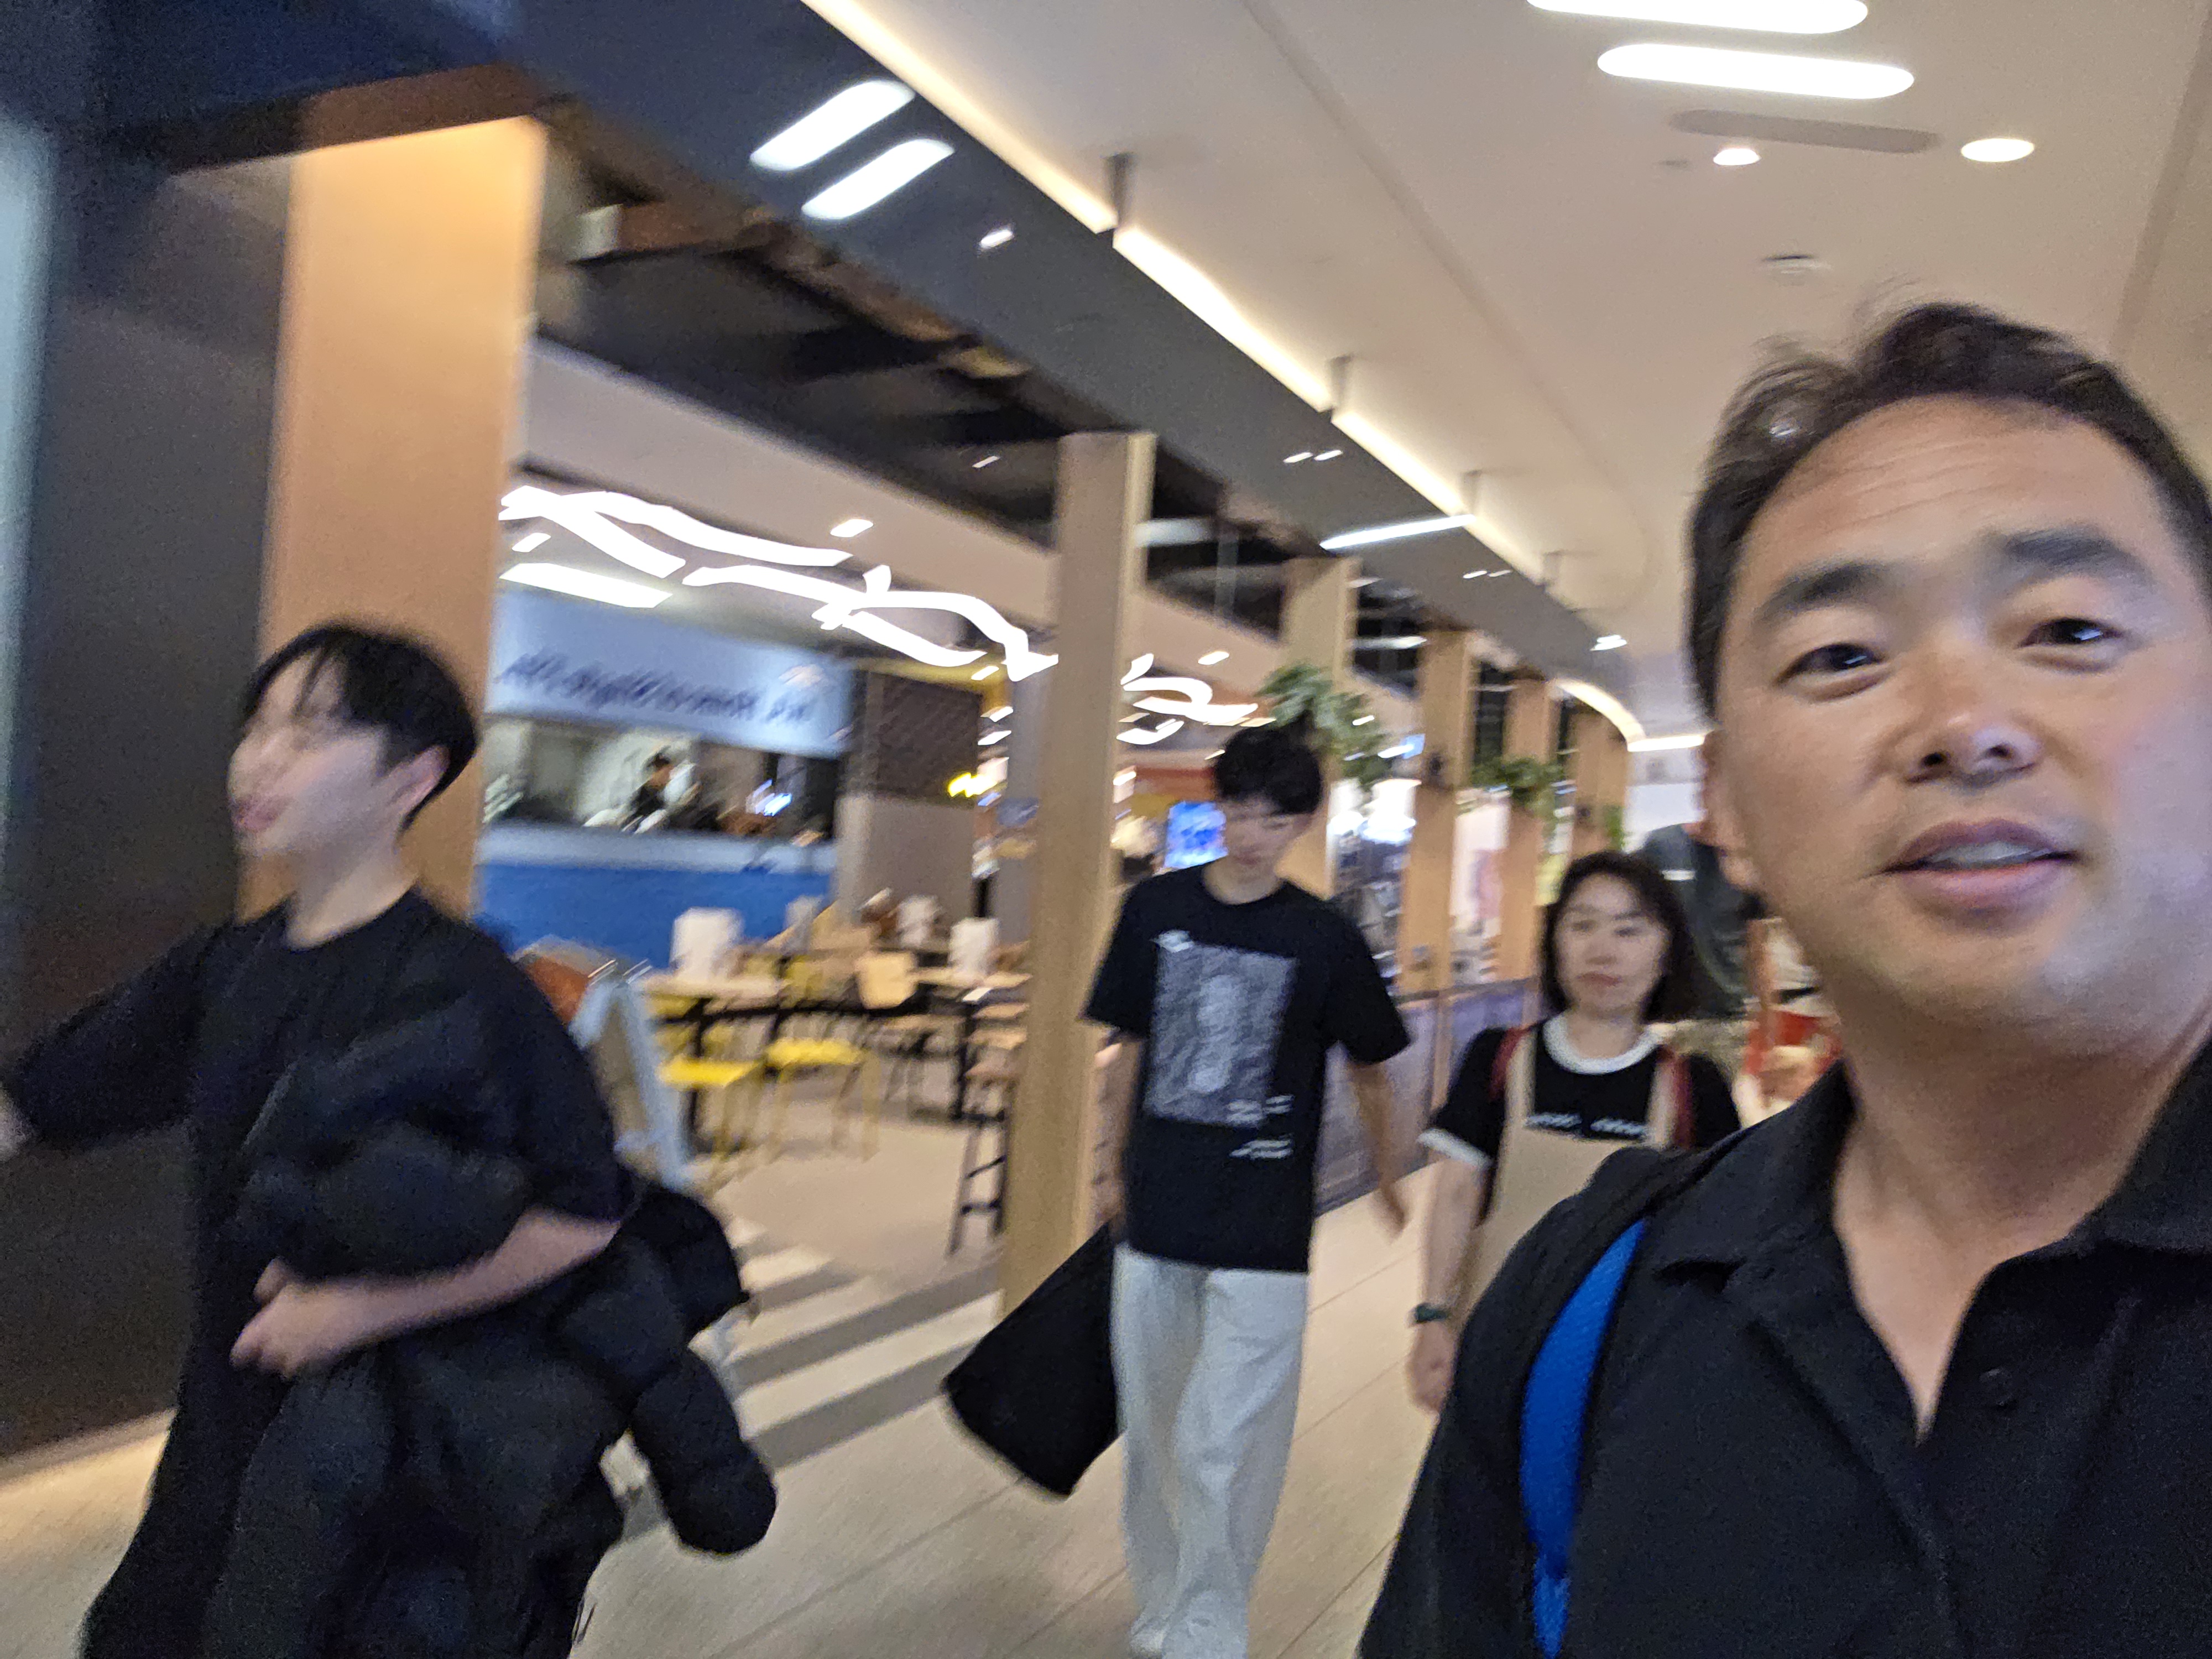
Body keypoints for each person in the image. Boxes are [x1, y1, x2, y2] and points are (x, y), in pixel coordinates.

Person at [1363, 301, 2212, 1657]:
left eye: (2066, 627)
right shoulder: (1590, 1310)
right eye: (1839, 656)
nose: (1961, 725)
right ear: (1725, 805)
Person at [0, 624, 635, 1658]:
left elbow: (584, 1211)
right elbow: (40, 1098)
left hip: (393, 1469)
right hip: (222, 1439)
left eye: (308, 733)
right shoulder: (226, 968)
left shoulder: (469, 988)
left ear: (411, 776)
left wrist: (358, 1310)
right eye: (255, 728)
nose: (257, 760)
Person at [1086, 724, 1412, 1659]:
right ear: (1217, 806)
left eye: (1274, 819)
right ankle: (1161, 1608)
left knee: (1227, 1441)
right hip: (1158, 1208)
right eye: (1238, 812)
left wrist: (1388, 1176)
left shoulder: (1324, 936)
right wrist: (1107, 1165)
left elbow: (1371, 1068)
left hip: (1266, 1227)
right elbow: (1127, 1048)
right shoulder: (1155, 908)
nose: (1251, 835)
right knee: (1155, 1431)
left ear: (1302, 824)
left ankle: (1210, 1628)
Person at [1404, 851, 1739, 1413]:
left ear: (1666, 954)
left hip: (1623, 1366)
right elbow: (1455, 1193)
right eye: (1582, 925)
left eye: (1629, 930)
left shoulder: (1692, 1087)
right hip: (1493, 1342)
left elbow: (1715, 1238)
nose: (1602, 950)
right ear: (1555, 942)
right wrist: (1433, 1314)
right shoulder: (1498, 1058)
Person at [1636, 812, 1756, 1076]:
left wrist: (1768, 1024)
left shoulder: (1744, 860)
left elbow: (1756, 943)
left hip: (1726, 1020)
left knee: (1717, 1100)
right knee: (1652, 1099)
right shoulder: (1660, 846)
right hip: (1663, 1017)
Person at [623, 750, 678, 829]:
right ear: (656, 773)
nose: (669, 778)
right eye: (667, 773)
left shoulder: (660, 795)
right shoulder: (645, 796)